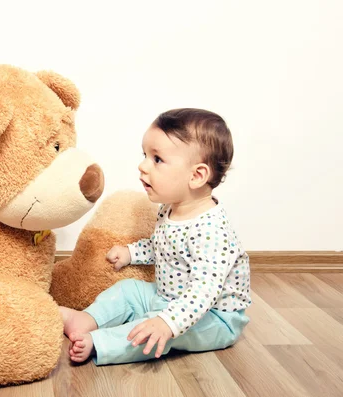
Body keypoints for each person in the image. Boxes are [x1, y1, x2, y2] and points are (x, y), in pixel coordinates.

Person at [60, 108, 251, 364]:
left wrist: (167, 322)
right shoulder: (170, 210)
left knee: (153, 333)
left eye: (157, 159)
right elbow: (160, 246)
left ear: (196, 176)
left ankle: (101, 343)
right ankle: (86, 319)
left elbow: (204, 292)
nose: (142, 166)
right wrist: (132, 253)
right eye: (145, 155)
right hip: (167, 297)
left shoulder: (212, 231)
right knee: (128, 290)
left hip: (212, 317)